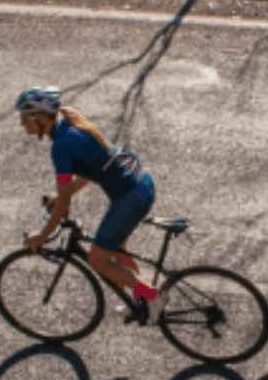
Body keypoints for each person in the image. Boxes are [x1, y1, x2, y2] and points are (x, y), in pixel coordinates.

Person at [16, 87, 162, 324]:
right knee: (116, 250)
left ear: (41, 118)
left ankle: (153, 296)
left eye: (25, 117)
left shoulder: (60, 147)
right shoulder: (69, 126)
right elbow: (89, 173)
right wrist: (60, 195)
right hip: (140, 183)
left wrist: (42, 236)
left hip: (129, 197)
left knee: (97, 260)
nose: (22, 124)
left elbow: (64, 202)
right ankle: (140, 303)